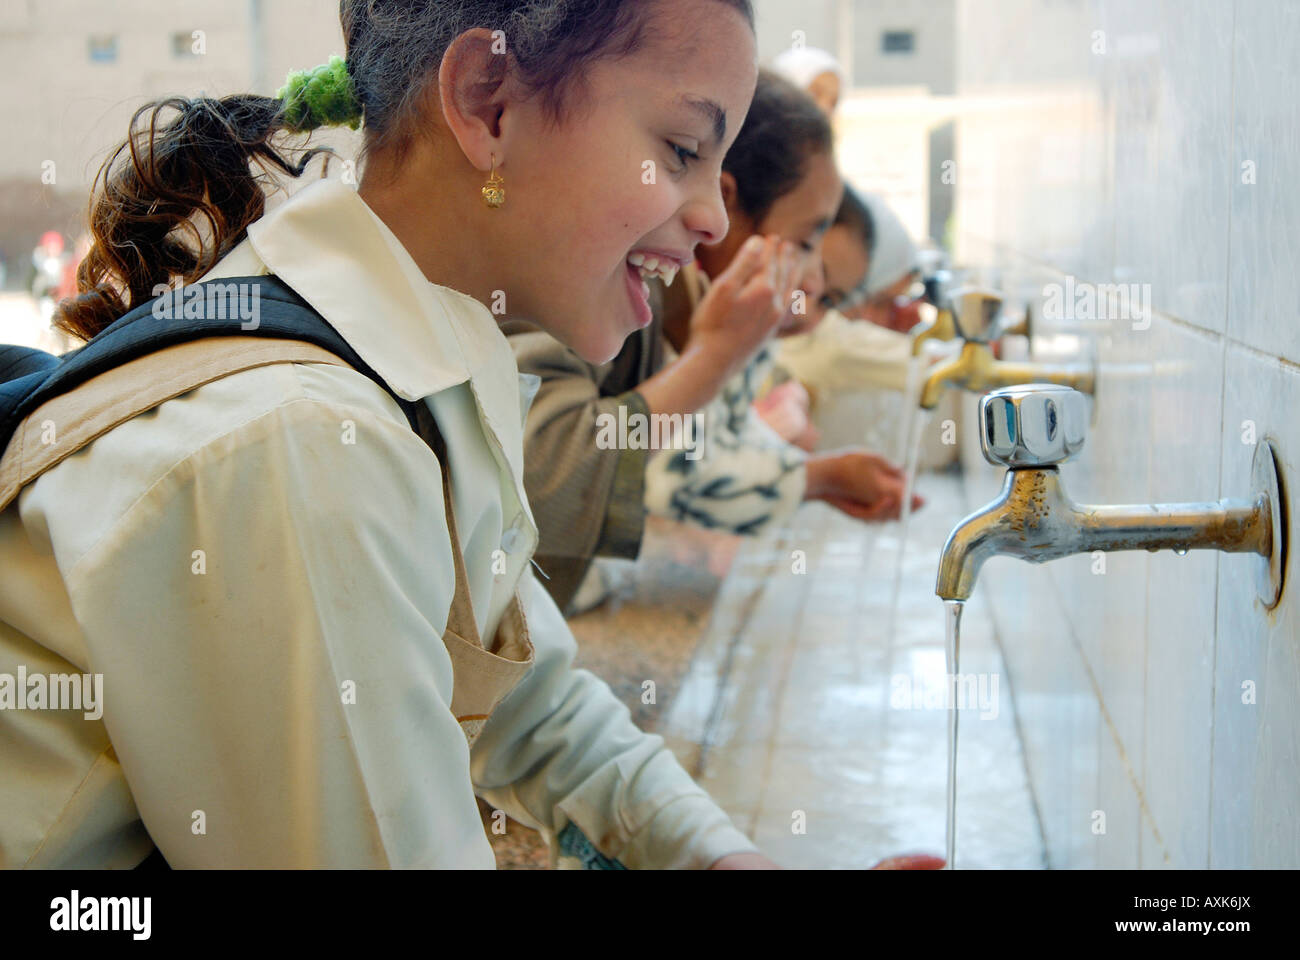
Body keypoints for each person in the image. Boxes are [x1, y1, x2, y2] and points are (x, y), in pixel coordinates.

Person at [0, 0, 798, 870]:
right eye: (683, 150)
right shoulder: (306, 443)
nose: (716, 219)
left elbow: (526, 699)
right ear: (488, 103)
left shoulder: (430, 366)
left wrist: (717, 857)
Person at [509, 72, 915, 614]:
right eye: (804, 242)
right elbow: (555, 478)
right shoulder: (587, 273)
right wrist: (713, 358)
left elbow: (685, 447)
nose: (812, 285)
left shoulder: (673, 298)